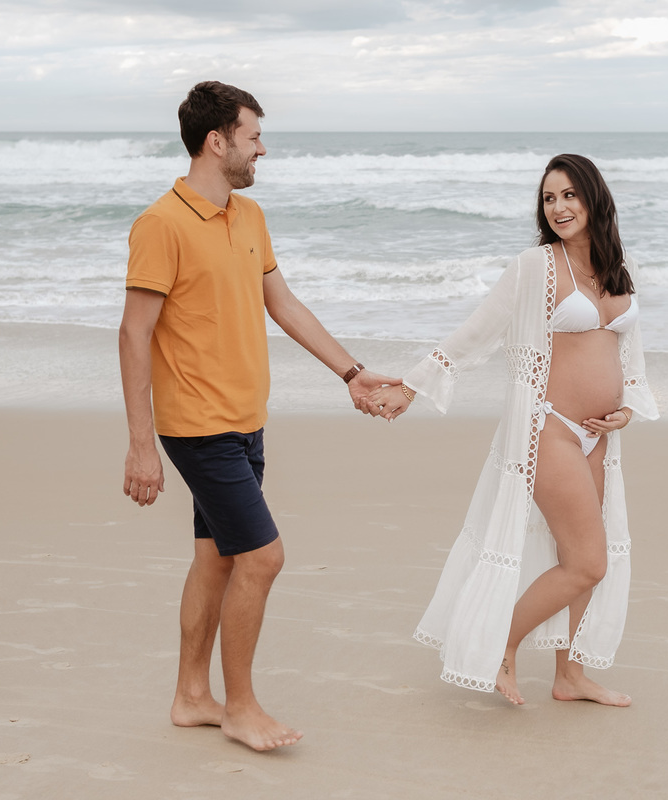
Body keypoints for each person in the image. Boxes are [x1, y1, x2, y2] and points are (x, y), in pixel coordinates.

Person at [119, 81, 396, 750]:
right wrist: (141, 445)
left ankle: (192, 697)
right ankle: (240, 707)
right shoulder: (161, 224)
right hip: (197, 425)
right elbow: (134, 333)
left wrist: (352, 373)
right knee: (263, 558)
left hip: (246, 419)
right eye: (253, 136)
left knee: (217, 558)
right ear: (217, 142)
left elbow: (284, 304)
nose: (262, 149)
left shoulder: (249, 216)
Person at [366, 154, 659, 706]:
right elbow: (476, 331)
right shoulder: (535, 266)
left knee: (582, 559)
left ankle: (569, 676)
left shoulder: (621, 267)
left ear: (594, 198)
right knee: (588, 562)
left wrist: (627, 408)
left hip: (599, 434)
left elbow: (629, 350)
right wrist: (412, 386)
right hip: (550, 429)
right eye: (549, 198)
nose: (558, 208)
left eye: (569, 195)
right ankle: (502, 644)